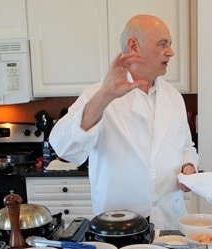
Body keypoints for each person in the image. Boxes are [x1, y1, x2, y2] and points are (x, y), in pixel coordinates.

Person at [49, 14, 199, 230]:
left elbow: (185, 146)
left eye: (170, 44)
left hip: (170, 223)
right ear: (133, 46)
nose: (170, 52)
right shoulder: (98, 95)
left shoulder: (173, 96)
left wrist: (188, 166)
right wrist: (105, 96)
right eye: (162, 44)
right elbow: (64, 147)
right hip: (117, 228)